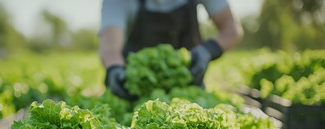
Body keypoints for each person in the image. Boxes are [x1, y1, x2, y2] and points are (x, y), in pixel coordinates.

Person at [99, 0, 243, 100]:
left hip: (189, 88)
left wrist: (208, 50)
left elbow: (231, 29)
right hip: (135, 93)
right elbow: (110, 47)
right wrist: (115, 68)